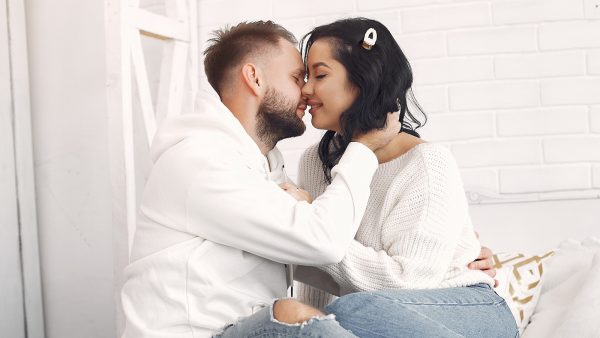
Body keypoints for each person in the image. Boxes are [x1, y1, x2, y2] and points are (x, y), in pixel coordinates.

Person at [120, 20, 401, 338]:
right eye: (298, 78)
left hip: (243, 328)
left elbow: (322, 259)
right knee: (293, 315)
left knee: (370, 316)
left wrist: (452, 263)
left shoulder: (260, 165)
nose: (307, 92)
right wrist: (363, 149)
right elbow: (323, 241)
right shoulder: (200, 161)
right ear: (254, 78)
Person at [292, 18, 518, 337]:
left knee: (350, 311)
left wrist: (314, 229)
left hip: (469, 309)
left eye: (320, 74)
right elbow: (317, 275)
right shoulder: (315, 162)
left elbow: (408, 283)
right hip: (378, 314)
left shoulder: (427, 163)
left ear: (363, 79)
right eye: (305, 76)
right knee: (316, 320)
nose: (305, 89)